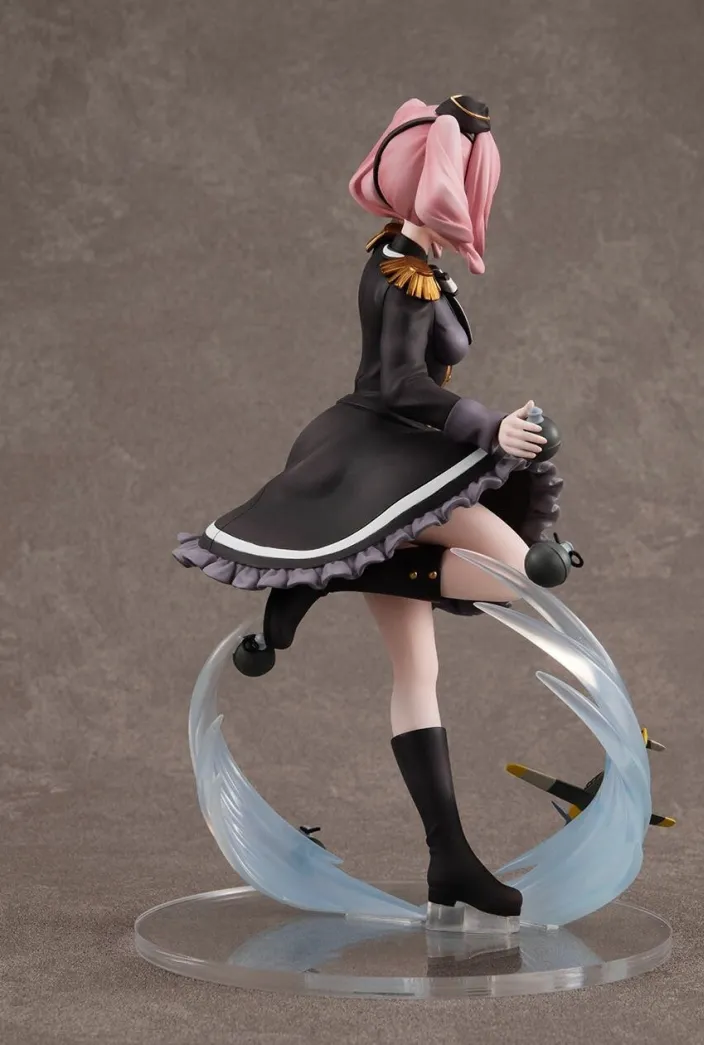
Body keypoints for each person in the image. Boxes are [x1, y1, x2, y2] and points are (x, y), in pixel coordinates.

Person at [174, 95, 571, 921]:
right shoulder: (401, 272)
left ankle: (447, 856)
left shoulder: (414, 257)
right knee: (516, 575)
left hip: (398, 448)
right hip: (382, 453)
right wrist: (486, 426)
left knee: (420, 669)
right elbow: (398, 385)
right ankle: (330, 575)